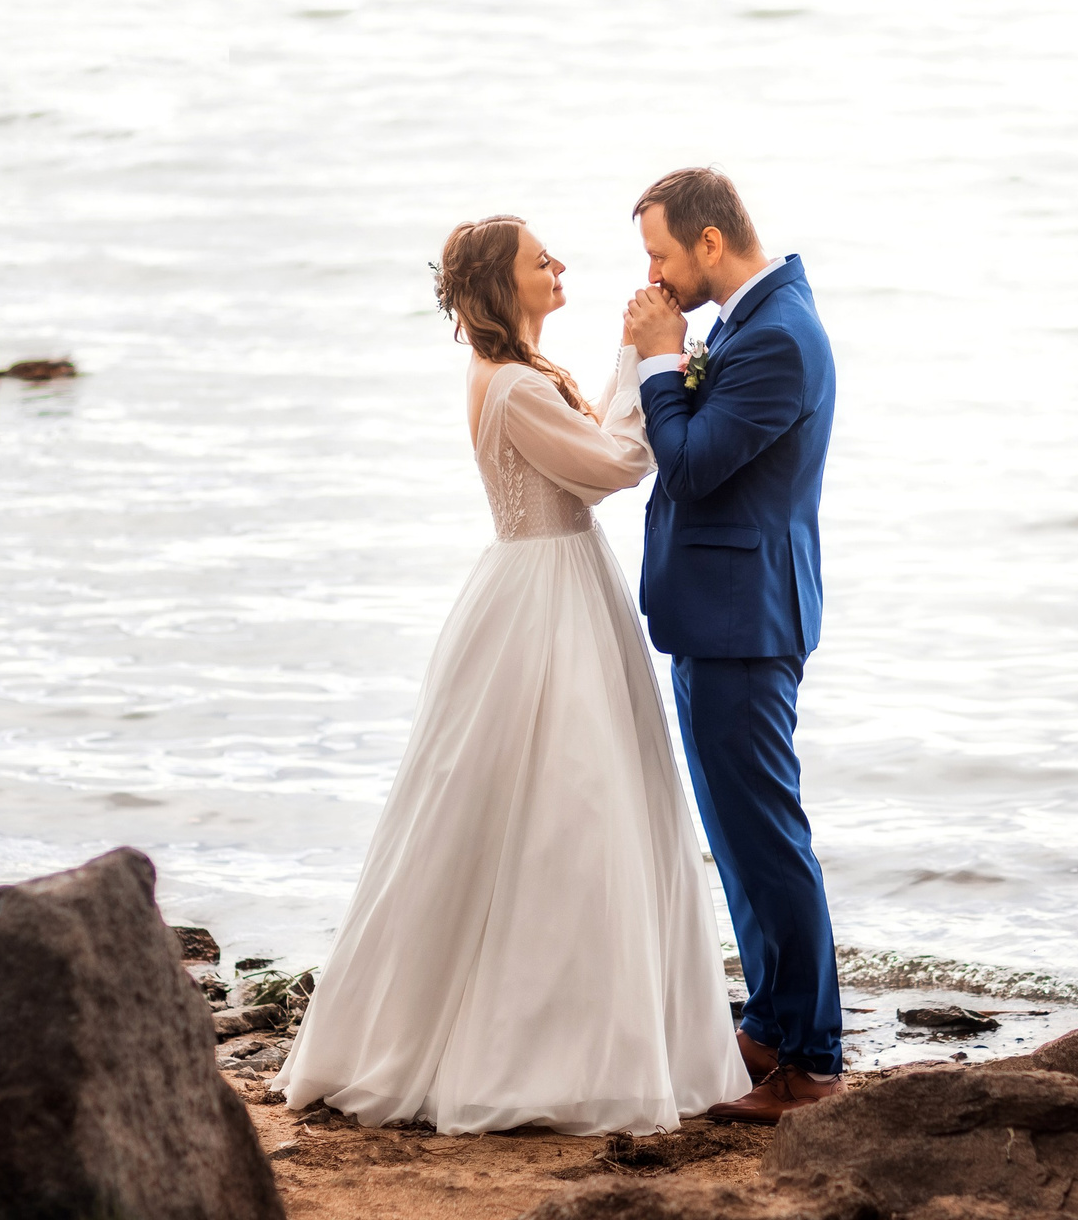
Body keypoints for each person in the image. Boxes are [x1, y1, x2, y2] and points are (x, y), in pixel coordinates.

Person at [272, 217, 747, 1134]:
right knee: (569, 808)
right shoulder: (516, 387)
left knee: (556, 806)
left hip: (552, 583)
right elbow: (610, 466)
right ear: (503, 286)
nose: (558, 264)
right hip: (547, 597)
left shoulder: (516, 376)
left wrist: (630, 357)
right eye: (541, 260)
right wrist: (652, 365)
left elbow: (592, 454)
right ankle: (543, 1047)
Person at [622, 168, 842, 1124]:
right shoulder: (751, 323)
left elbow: (699, 463)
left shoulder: (781, 338)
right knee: (735, 835)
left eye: (662, 254)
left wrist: (659, 362)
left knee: (767, 837)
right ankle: (769, 1020)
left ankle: (815, 1059)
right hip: (718, 613)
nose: (658, 276)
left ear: (711, 242)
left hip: (745, 619)